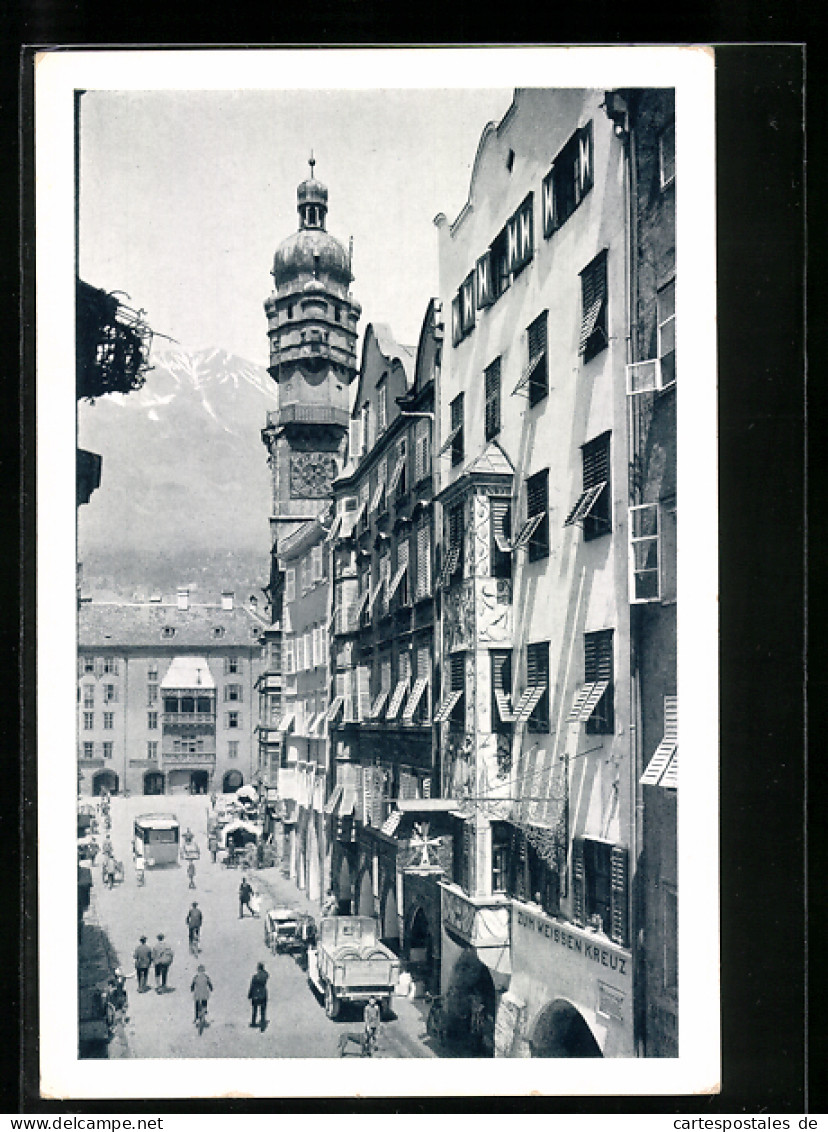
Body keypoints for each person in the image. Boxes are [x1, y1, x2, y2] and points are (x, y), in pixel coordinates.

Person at [247, 961, 269, 1030]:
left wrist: (249, 995)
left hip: (255, 994)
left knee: (255, 1010)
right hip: (263, 993)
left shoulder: (255, 977)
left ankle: (253, 1023)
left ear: (258, 968)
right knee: (263, 1009)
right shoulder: (265, 976)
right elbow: (267, 974)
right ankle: (262, 1021)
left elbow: (252, 986)